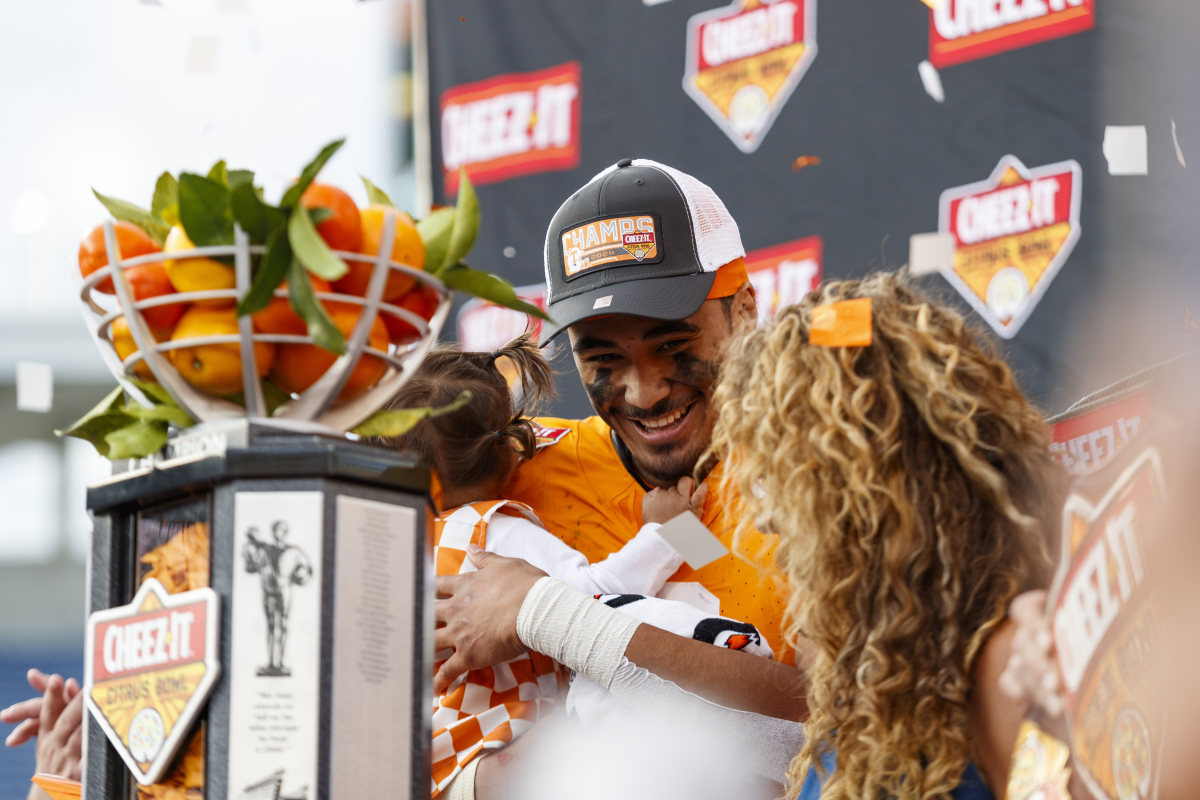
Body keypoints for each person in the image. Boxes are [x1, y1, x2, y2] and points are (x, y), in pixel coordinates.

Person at [708, 274, 1064, 798]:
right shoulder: (866, 665)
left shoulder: (1015, 666)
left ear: (866, 490)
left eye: (783, 479)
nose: (763, 518)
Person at [389, 333, 780, 797]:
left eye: (669, 345)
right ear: (507, 447)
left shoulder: (400, 544)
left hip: (435, 756)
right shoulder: (492, 525)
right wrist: (671, 530)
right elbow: (589, 601)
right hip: (504, 747)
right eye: (606, 357)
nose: (643, 394)